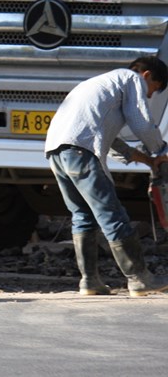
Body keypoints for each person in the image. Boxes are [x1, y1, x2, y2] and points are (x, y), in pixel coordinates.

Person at [45, 55, 168, 297]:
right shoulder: (131, 78)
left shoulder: (99, 85)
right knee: (113, 215)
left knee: (83, 216)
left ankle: (89, 282)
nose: (150, 96)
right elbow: (142, 124)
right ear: (146, 75)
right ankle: (140, 279)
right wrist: (162, 151)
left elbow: (110, 141)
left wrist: (147, 160)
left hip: (56, 152)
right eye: (154, 89)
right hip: (80, 151)